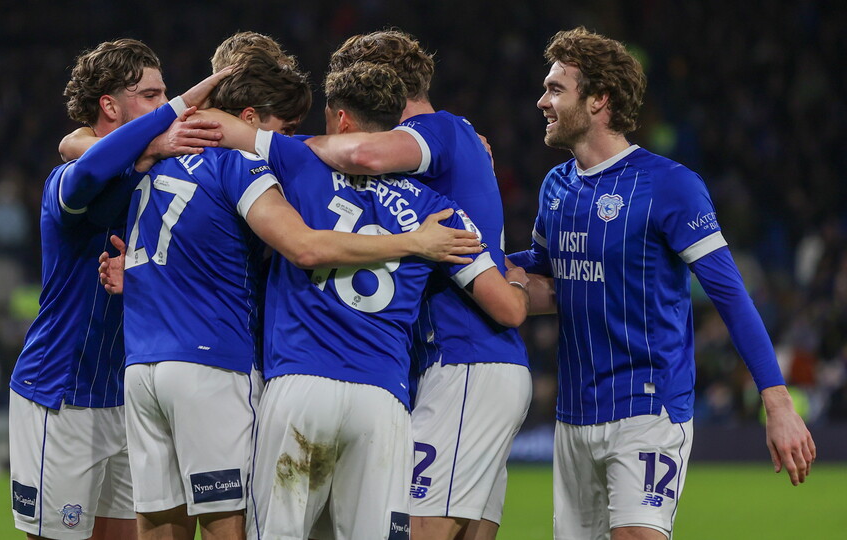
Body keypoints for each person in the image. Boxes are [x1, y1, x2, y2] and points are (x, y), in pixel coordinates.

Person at [68, 47, 484, 540]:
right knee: (231, 525)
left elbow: (82, 148)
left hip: (142, 368)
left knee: (160, 521)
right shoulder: (241, 166)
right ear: (249, 119)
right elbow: (304, 247)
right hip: (214, 365)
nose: (288, 141)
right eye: (283, 129)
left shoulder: (150, 161)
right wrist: (415, 243)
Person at [195, 58, 538, 540]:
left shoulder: (296, 161)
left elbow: (213, 126)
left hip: (302, 385)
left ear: (340, 120)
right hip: (383, 400)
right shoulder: (437, 211)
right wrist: (519, 281)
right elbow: (508, 307)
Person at [505, 27, 816, 540]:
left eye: (556, 89)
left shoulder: (669, 185)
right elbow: (540, 266)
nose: (542, 101)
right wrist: (461, 256)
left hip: (649, 407)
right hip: (574, 415)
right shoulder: (556, 186)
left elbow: (731, 297)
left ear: (599, 99)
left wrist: (777, 403)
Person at [301, 30, 553, 540]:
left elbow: (365, 155)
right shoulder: (454, 141)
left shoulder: (437, 131)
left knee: (411, 530)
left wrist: (287, 149)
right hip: (475, 363)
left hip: (465, 359)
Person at [8, 38, 228, 540]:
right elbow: (88, 164)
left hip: (130, 394)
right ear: (110, 105)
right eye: (151, 96)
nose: (165, 106)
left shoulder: (162, 177)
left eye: (165, 94)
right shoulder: (67, 181)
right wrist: (155, 134)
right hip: (62, 391)